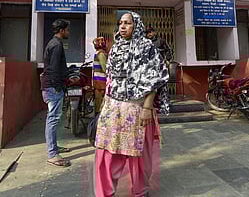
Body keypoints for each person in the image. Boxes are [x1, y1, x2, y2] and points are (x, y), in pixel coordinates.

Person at [95, 12, 170, 197]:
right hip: (114, 107)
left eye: (127, 23)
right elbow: (110, 77)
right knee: (107, 152)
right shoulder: (115, 48)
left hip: (137, 108)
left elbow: (156, 78)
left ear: (136, 25)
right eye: (120, 23)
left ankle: (140, 192)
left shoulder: (147, 47)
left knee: (139, 155)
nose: (122, 27)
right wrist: (106, 98)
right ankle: (105, 193)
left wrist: (147, 107)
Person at [40, 19, 77, 167]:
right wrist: (57, 87)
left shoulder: (54, 43)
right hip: (52, 86)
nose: (68, 32)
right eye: (67, 30)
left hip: (51, 84)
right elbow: (53, 68)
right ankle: (52, 154)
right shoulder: (56, 45)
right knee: (53, 118)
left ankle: (54, 147)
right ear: (61, 30)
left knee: (54, 118)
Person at [92, 37, 108, 113]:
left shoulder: (97, 53)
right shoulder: (101, 54)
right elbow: (105, 68)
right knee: (101, 104)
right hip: (101, 81)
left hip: (97, 80)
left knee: (98, 102)